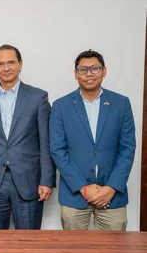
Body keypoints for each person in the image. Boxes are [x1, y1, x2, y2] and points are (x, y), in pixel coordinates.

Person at [50, 50, 135, 230]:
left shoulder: (121, 104)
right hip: (74, 194)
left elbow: (127, 149)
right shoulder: (61, 106)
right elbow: (57, 150)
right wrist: (83, 188)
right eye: (83, 69)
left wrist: (111, 188)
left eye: (95, 69)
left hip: (112, 195)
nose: (89, 74)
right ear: (75, 74)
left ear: (104, 71)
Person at [0, 44, 55, 230]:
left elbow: (45, 143)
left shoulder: (38, 97)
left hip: (29, 181)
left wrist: (46, 179)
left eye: (11, 62)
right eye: (1, 63)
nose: (6, 68)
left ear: (20, 64)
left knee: (27, 244)